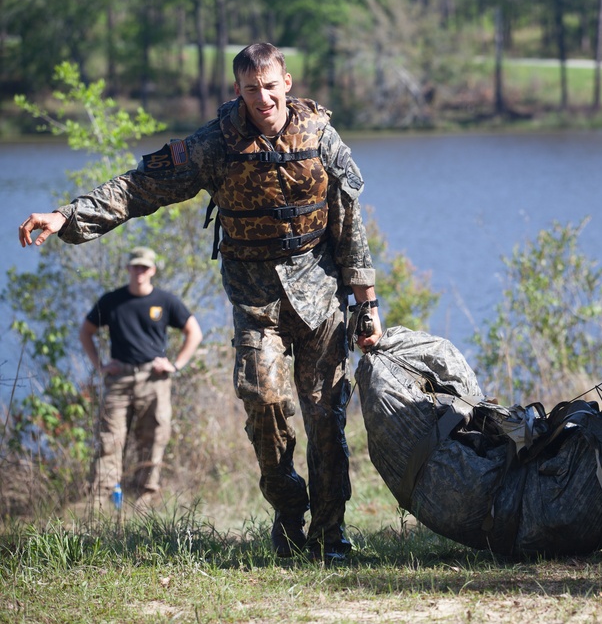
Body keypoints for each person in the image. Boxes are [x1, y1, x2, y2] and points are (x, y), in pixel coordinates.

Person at [19, 42, 383, 565]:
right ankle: (288, 509)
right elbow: (140, 187)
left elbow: (350, 225)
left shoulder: (321, 137)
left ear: (287, 83)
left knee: (327, 420)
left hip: (322, 298)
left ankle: (331, 538)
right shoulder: (215, 144)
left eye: (271, 87)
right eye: (252, 89)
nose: (264, 99)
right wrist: (66, 217)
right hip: (256, 298)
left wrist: (367, 306)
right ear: (238, 89)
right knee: (263, 402)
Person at [80, 246, 202, 510]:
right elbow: (85, 331)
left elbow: (194, 332)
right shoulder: (112, 301)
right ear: (128, 269)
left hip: (154, 379)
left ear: (152, 270)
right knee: (110, 438)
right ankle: (101, 500)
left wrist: (175, 364)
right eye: (135, 267)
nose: (139, 272)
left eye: (144, 268)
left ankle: (145, 497)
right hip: (120, 378)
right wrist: (100, 365)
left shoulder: (166, 301)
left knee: (154, 437)